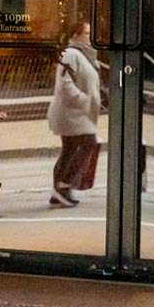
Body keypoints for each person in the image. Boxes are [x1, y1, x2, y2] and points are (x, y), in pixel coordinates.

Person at [48, 20, 103, 208]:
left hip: (78, 113)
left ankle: (59, 192)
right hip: (72, 112)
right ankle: (63, 185)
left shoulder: (87, 56)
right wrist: (84, 100)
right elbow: (65, 82)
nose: (91, 37)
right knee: (88, 143)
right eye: (87, 33)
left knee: (70, 149)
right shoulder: (71, 54)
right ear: (75, 35)